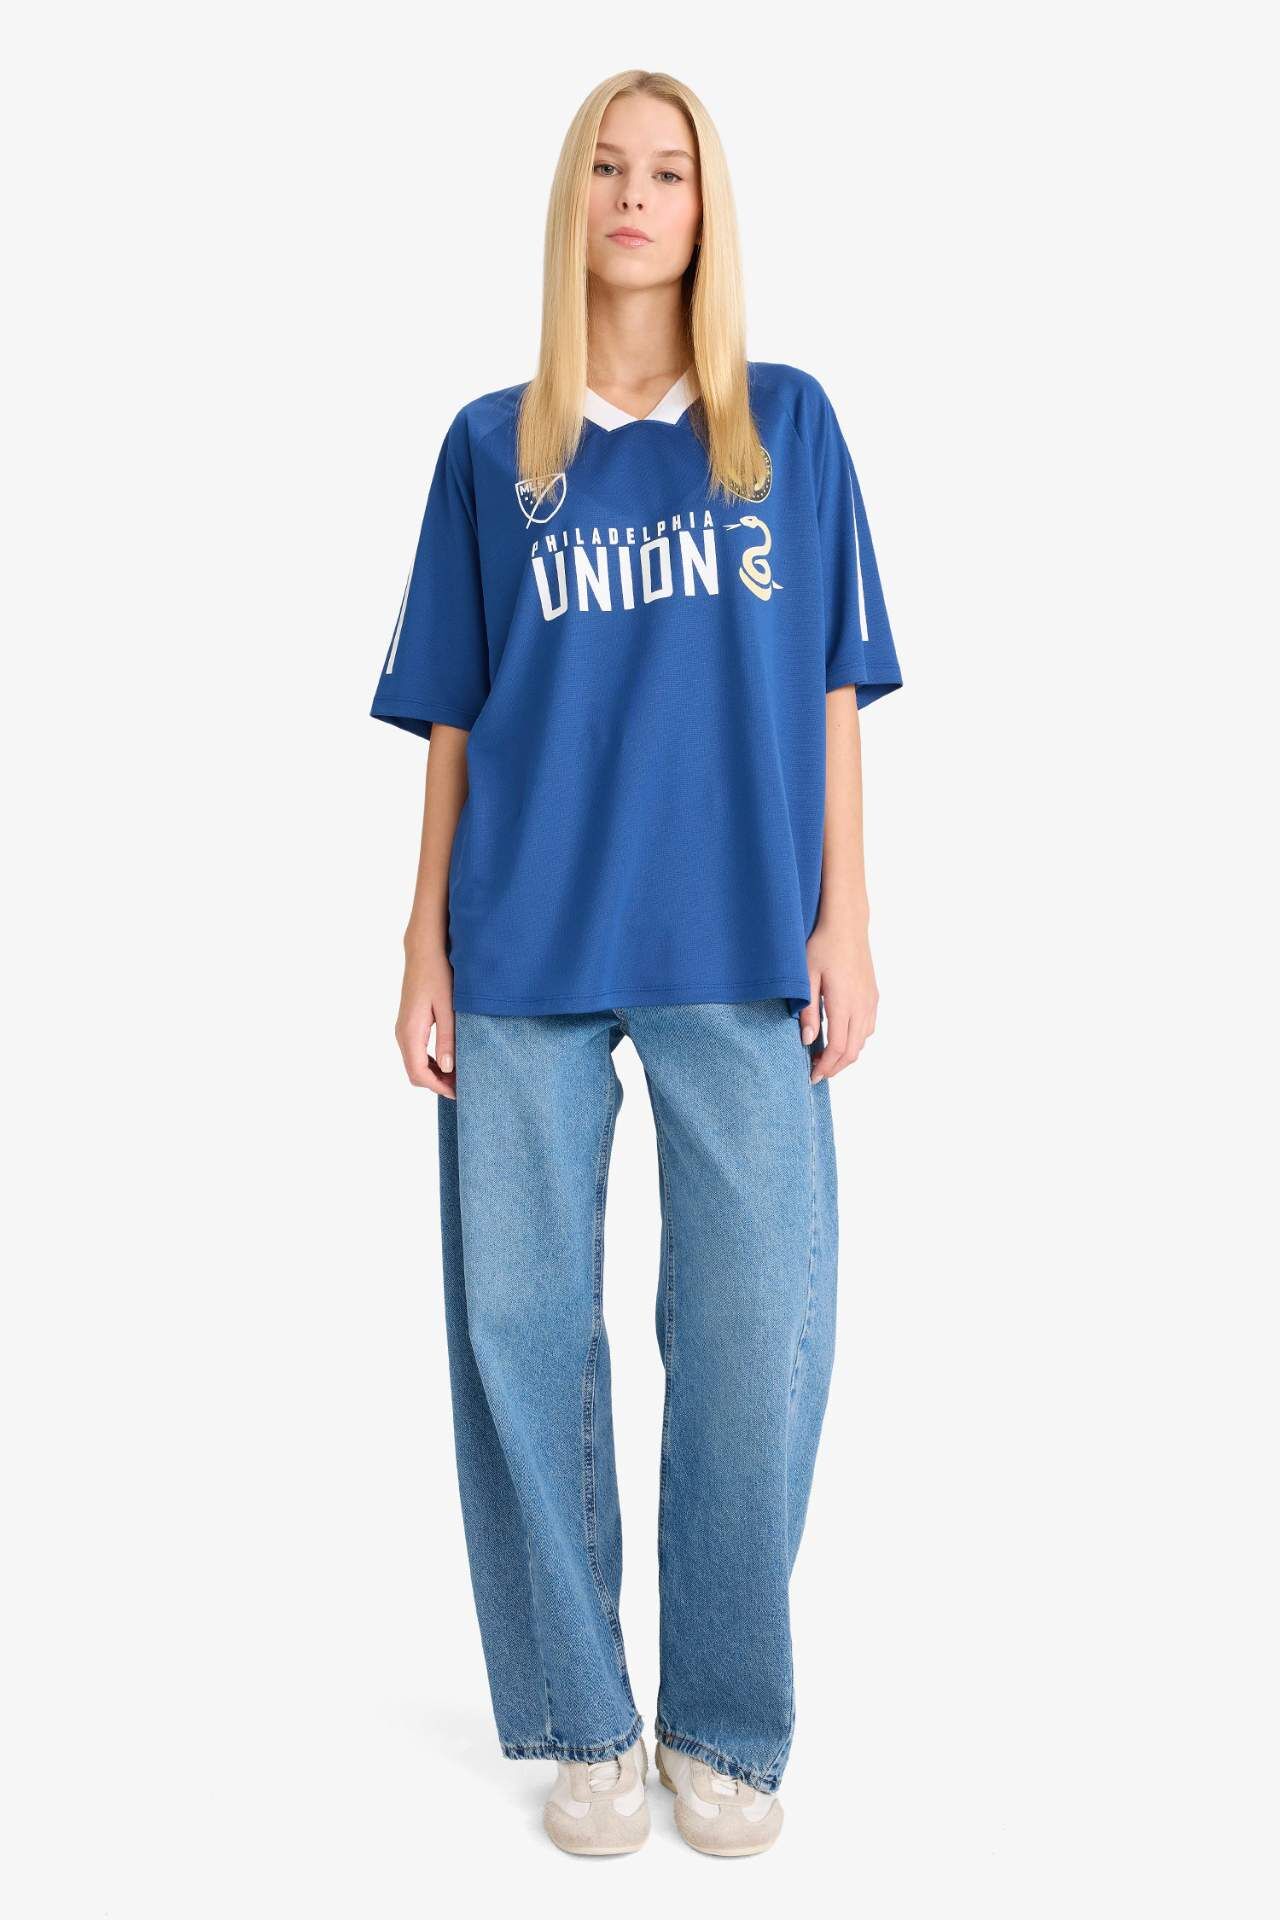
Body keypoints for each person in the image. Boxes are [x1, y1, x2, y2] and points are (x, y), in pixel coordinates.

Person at [369, 68, 903, 1858]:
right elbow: (453, 715)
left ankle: (726, 1716)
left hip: (739, 934)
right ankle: (584, 1720)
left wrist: (847, 913)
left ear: (704, 208)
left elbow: (834, 687)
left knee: (755, 1329)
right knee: (520, 1329)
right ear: (572, 200)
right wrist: (423, 937)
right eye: (607, 165)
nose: (634, 194)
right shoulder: (491, 449)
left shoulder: (787, 430)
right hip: (523, 934)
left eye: (668, 170)